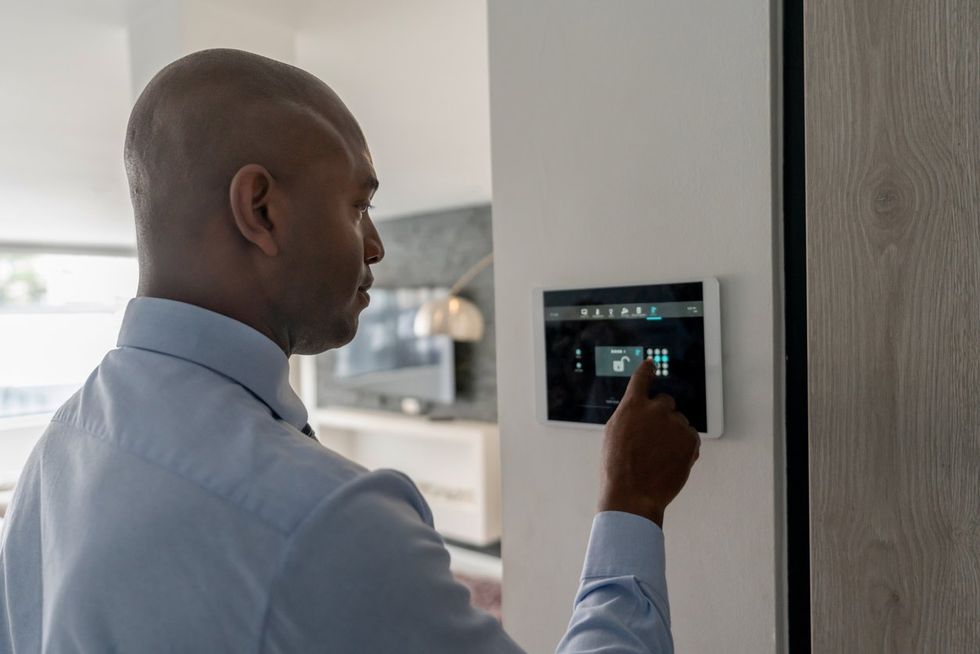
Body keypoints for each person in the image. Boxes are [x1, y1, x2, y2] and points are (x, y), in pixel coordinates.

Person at [0, 49, 700, 653]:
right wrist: (631, 502)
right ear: (261, 211)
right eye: (358, 205)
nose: (375, 246)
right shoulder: (324, 522)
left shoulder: (62, 446)